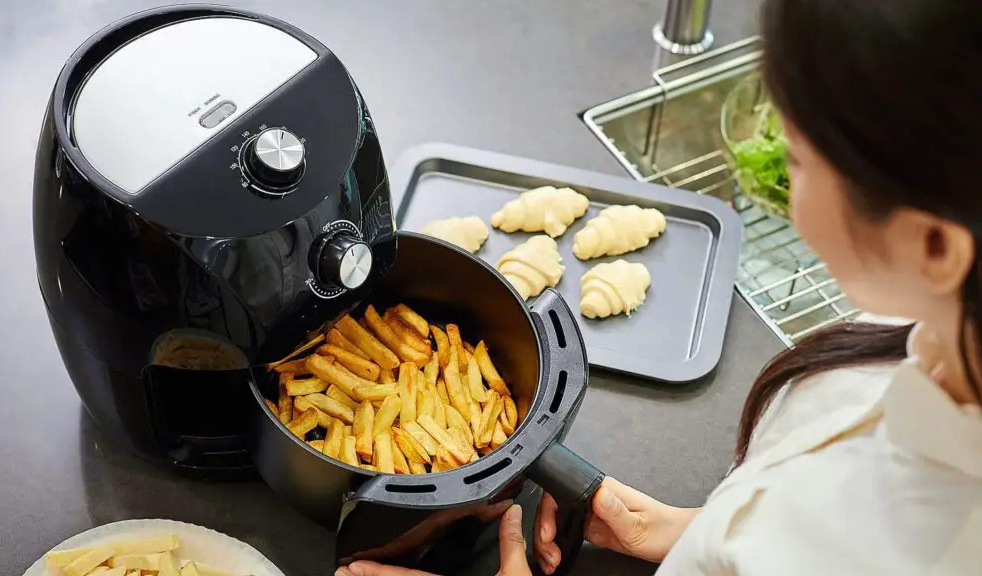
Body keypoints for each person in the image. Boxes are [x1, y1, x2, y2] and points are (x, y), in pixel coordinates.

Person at [336, 0, 982, 573]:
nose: (773, 183)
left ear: (934, 245)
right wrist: (701, 533)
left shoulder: (926, 542)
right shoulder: (921, 339)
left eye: (798, 161)